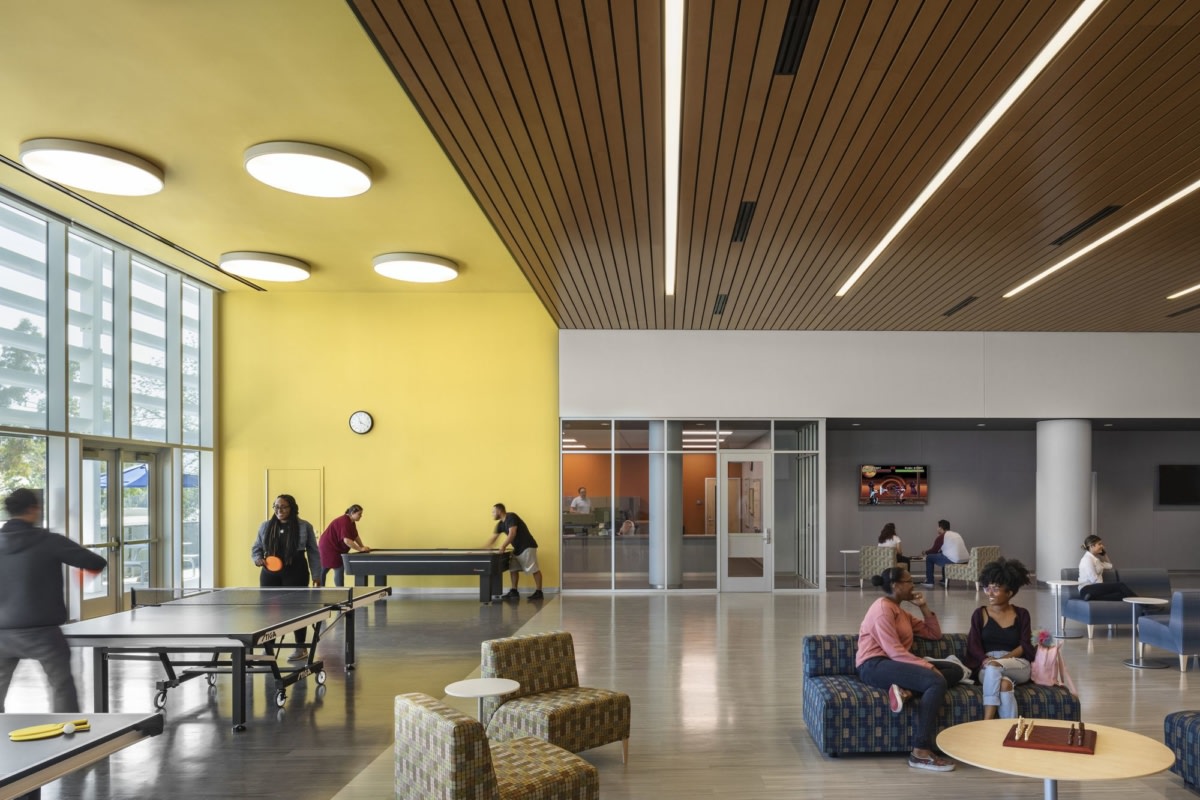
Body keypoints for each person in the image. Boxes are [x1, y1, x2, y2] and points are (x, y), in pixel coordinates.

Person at [0, 487, 107, 712]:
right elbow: (96, 562)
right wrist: (81, 579)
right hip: (43, 633)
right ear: (33, 509)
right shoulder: (49, 541)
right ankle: (68, 730)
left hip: (2, 632)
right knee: (61, 686)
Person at [855, 566, 959, 772]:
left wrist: (923, 607)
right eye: (909, 581)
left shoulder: (900, 611)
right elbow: (894, 651)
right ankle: (920, 751)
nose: (913, 585)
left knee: (955, 670)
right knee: (936, 681)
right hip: (874, 665)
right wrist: (929, 667)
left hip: (894, 664)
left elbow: (934, 634)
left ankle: (907, 692)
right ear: (896, 585)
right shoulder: (882, 609)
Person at [251, 494, 321, 659]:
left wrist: (316, 574)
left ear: (292, 508)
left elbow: (313, 552)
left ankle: (300, 647)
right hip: (270, 573)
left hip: (296, 571)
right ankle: (268, 648)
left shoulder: (305, 526)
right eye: (276, 507)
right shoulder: (265, 526)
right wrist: (257, 559)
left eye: (283, 507)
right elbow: (256, 548)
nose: (279, 510)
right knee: (270, 611)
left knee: (297, 610)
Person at [965, 558, 1035, 719]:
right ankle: (1010, 728)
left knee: (994, 666)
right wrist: (984, 659)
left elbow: (1025, 644)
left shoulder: (1022, 614)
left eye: (995, 589)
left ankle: (986, 720)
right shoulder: (980, 614)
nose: (989, 593)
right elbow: (973, 644)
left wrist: (1001, 660)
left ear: (1009, 593)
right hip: (987, 664)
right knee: (1004, 685)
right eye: (987, 588)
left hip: (1017, 663)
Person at [487, 503, 543, 600]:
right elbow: (493, 538)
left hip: (527, 546)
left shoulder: (511, 517)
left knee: (533, 569)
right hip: (517, 548)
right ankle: (514, 591)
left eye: (493, 511)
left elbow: (512, 533)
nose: (492, 514)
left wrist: (503, 546)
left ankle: (539, 592)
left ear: (499, 511)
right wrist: (484, 548)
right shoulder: (500, 524)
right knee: (513, 569)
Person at [318, 504, 370, 587]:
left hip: (337, 548)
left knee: (339, 568)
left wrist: (362, 546)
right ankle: (319, 590)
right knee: (324, 569)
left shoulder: (351, 522)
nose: (361, 516)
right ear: (352, 513)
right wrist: (360, 549)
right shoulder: (344, 521)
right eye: (359, 514)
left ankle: (340, 590)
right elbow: (347, 540)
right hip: (328, 547)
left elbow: (355, 536)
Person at [1077, 535, 1134, 600]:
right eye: (1099, 544)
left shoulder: (1095, 559)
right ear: (1092, 546)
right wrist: (1105, 588)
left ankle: (1092, 597)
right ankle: (1142, 603)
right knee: (1121, 585)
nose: (1102, 546)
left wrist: (1104, 554)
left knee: (1121, 595)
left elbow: (1110, 566)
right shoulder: (1087, 559)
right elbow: (1093, 579)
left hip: (1094, 589)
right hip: (1087, 589)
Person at [921, 519, 969, 587]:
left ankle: (929, 581)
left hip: (954, 560)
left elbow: (934, 550)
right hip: (965, 560)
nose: (937, 529)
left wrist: (925, 552)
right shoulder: (956, 534)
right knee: (944, 555)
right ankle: (944, 581)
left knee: (929, 557)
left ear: (941, 528)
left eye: (938, 527)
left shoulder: (942, 536)